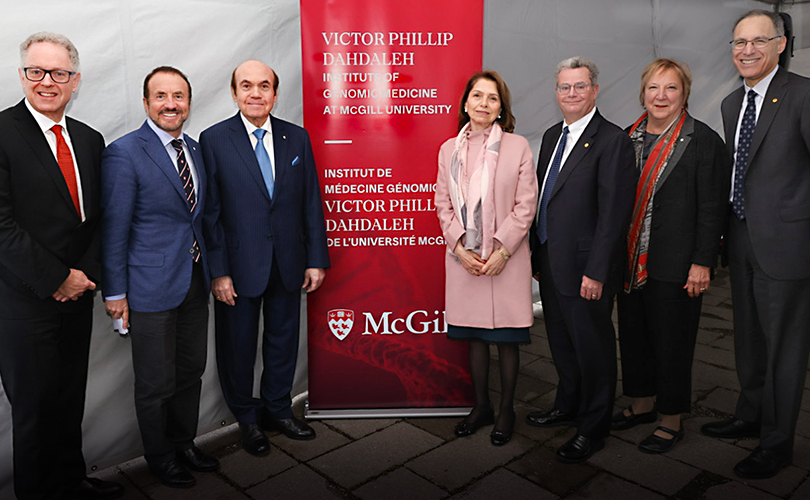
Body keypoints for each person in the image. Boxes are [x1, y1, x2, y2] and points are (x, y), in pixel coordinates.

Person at [0, 32, 123, 500]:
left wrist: (83, 279)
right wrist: (57, 279)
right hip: (23, 303)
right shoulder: (2, 132)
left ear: (75, 81)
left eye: (59, 73)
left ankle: (70, 483)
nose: (47, 81)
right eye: (37, 71)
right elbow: (1, 226)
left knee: (69, 401)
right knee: (34, 412)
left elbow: (95, 221)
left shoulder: (90, 140)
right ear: (22, 75)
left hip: (77, 297)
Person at [700, 9, 810, 479]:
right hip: (741, 237)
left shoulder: (803, 95)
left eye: (758, 41)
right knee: (747, 338)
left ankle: (777, 442)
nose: (746, 50)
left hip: (787, 243)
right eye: (738, 42)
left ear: (781, 44)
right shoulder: (731, 104)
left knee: (785, 347)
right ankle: (750, 415)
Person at [200, 60, 330, 456]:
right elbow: (211, 213)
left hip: (289, 262)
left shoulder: (297, 138)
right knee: (237, 346)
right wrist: (218, 272)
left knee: (283, 340)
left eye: (263, 86)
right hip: (237, 269)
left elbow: (310, 202)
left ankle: (277, 409)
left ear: (275, 93)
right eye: (246, 86)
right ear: (234, 92)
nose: (255, 93)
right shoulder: (214, 139)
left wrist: (315, 258)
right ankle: (248, 419)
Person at [101, 66, 219, 488]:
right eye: (162, 96)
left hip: (193, 279)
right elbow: (114, 229)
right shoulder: (124, 152)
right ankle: (160, 456)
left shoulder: (196, 148)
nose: (172, 104)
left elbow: (199, 219)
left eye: (179, 96)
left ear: (189, 101)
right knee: (155, 380)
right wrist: (115, 293)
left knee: (191, 369)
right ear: (146, 103)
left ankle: (184, 442)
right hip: (148, 287)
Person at [610, 59, 731, 454]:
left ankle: (671, 417)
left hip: (677, 263)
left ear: (685, 94)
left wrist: (702, 261)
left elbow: (713, 207)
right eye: (653, 88)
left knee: (672, 341)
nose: (660, 96)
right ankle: (643, 402)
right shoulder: (628, 137)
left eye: (671, 88)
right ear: (642, 93)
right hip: (631, 262)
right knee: (633, 335)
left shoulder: (704, 140)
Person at [526, 57, 636, 463]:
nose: (571, 93)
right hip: (552, 260)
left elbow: (614, 215)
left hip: (586, 268)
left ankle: (593, 427)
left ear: (595, 90)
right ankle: (567, 405)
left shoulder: (612, 140)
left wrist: (597, 270)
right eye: (564, 87)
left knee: (593, 347)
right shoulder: (554, 135)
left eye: (579, 86)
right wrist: (539, 252)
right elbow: (545, 200)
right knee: (560, 342)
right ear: (556, 93)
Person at [435, 70, 538, 447]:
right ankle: (482, 407)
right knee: (475, 339)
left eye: (492, 98)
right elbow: (442, 203)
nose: (483, 103)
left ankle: (507, 409)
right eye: (477, 96)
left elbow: (526, 206)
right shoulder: (448, 149)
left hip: (504, 260)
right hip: (465, 260)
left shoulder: (518, 147)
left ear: (501, 109)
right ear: (466, 104)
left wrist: (502, 249)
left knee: (507, 340)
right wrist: (459, 247)